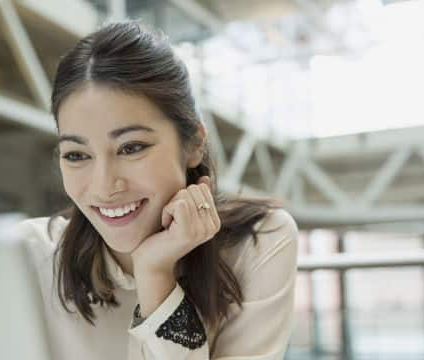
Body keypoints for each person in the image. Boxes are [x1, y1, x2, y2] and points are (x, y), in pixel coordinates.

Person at [19, 21, 298, 359]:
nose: (105, 186)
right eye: (77, 155)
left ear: (194, 143)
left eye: (131, 147)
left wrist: (154, 274)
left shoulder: (259, 241)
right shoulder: (26, 253)